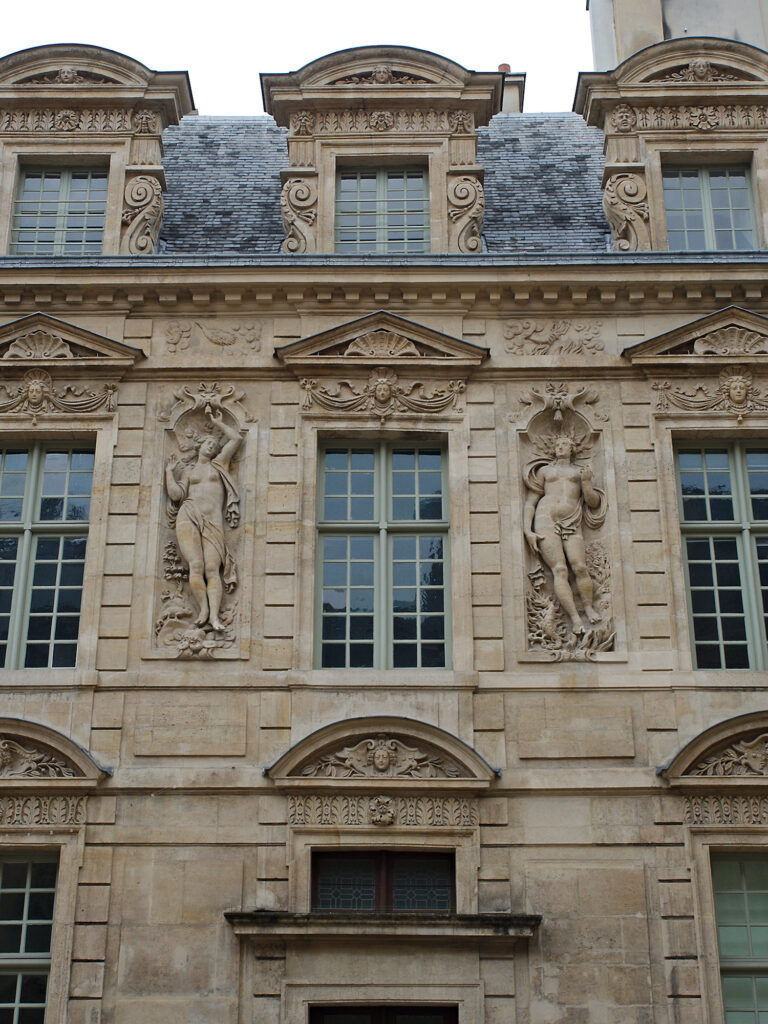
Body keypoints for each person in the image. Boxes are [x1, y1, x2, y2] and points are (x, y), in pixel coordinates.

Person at [165, 408, 241, 631]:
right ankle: (204, 610)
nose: (212, 447)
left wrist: (219, 424)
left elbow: (236, 438)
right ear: (200, 446)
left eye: (214, 446)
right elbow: (177, 495)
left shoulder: (220, 465)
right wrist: (169, 472)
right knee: (195, 566)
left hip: (213, 520)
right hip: (188, 514)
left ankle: (215, 616)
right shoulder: (188, 471)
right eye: (208, 444)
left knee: (212, 568)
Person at [524, 433, 606, 633]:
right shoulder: (545, 471)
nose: (560, 447)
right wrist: (527, 530)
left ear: (572, 449)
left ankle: (587, 607)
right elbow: (530, 502)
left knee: (579, 567)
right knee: (560, 570)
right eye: (557, 443)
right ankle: (575, 618)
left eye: (564, 444)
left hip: (573, 520)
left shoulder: (580, 473)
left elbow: (593, 502)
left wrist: (586, 483)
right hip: (546, 518)